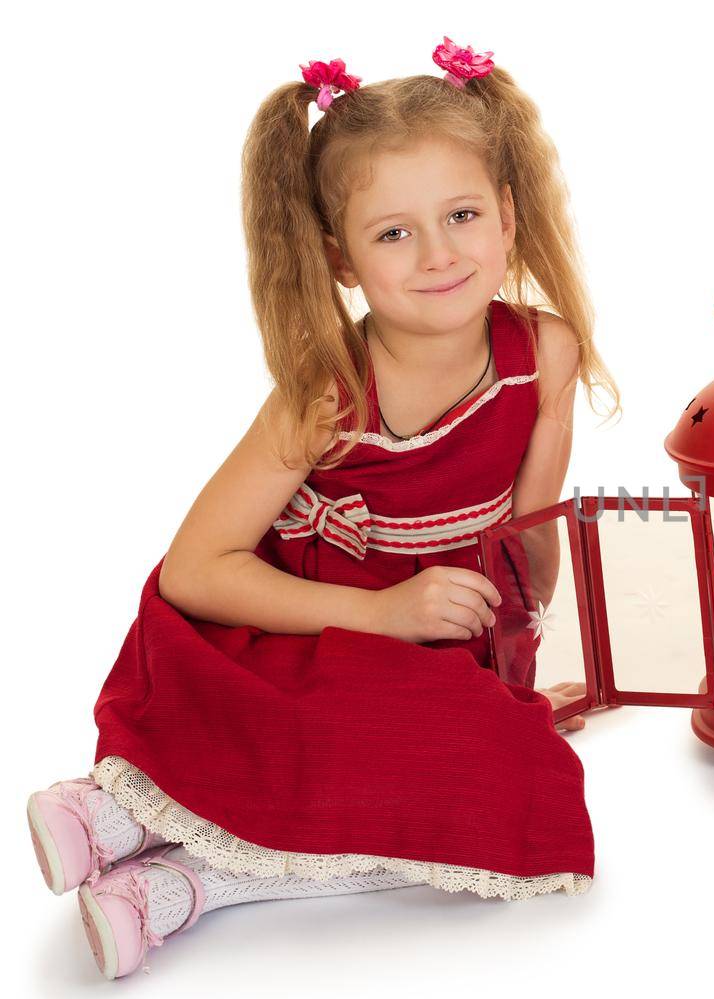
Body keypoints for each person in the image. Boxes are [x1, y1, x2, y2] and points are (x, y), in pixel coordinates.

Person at [24, 37, 622, 980]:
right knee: (348, 740)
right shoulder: (327, 391)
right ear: (342, 259)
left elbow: (527, 547)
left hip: (441, 644)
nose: (438, 254)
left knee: (507, 783)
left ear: (506, 218)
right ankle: (129, 820)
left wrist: (515, 685)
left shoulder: (544, 353)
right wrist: (382, 612)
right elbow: (196, 569)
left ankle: (181, 878)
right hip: (306, 636)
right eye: (393, 233)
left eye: (462, 214)